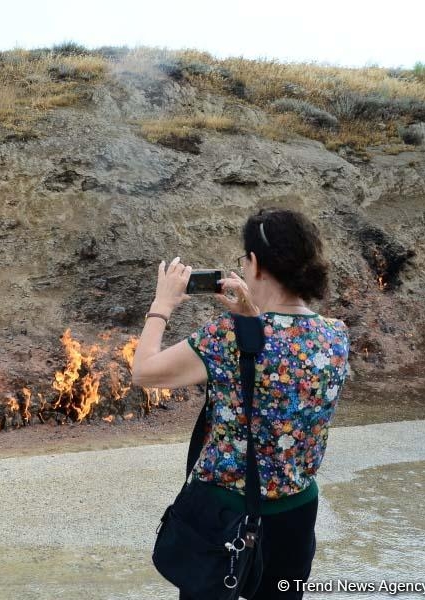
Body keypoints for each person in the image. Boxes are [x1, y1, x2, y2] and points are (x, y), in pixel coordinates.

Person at [131, 208, 350, 599]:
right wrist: (250, 316)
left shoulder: (226, 337)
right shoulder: (335, 335)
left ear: (255, 264)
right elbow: (280, 367)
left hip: (226, 515)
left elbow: (144, 371)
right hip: (296, 515)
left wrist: (161, 304)